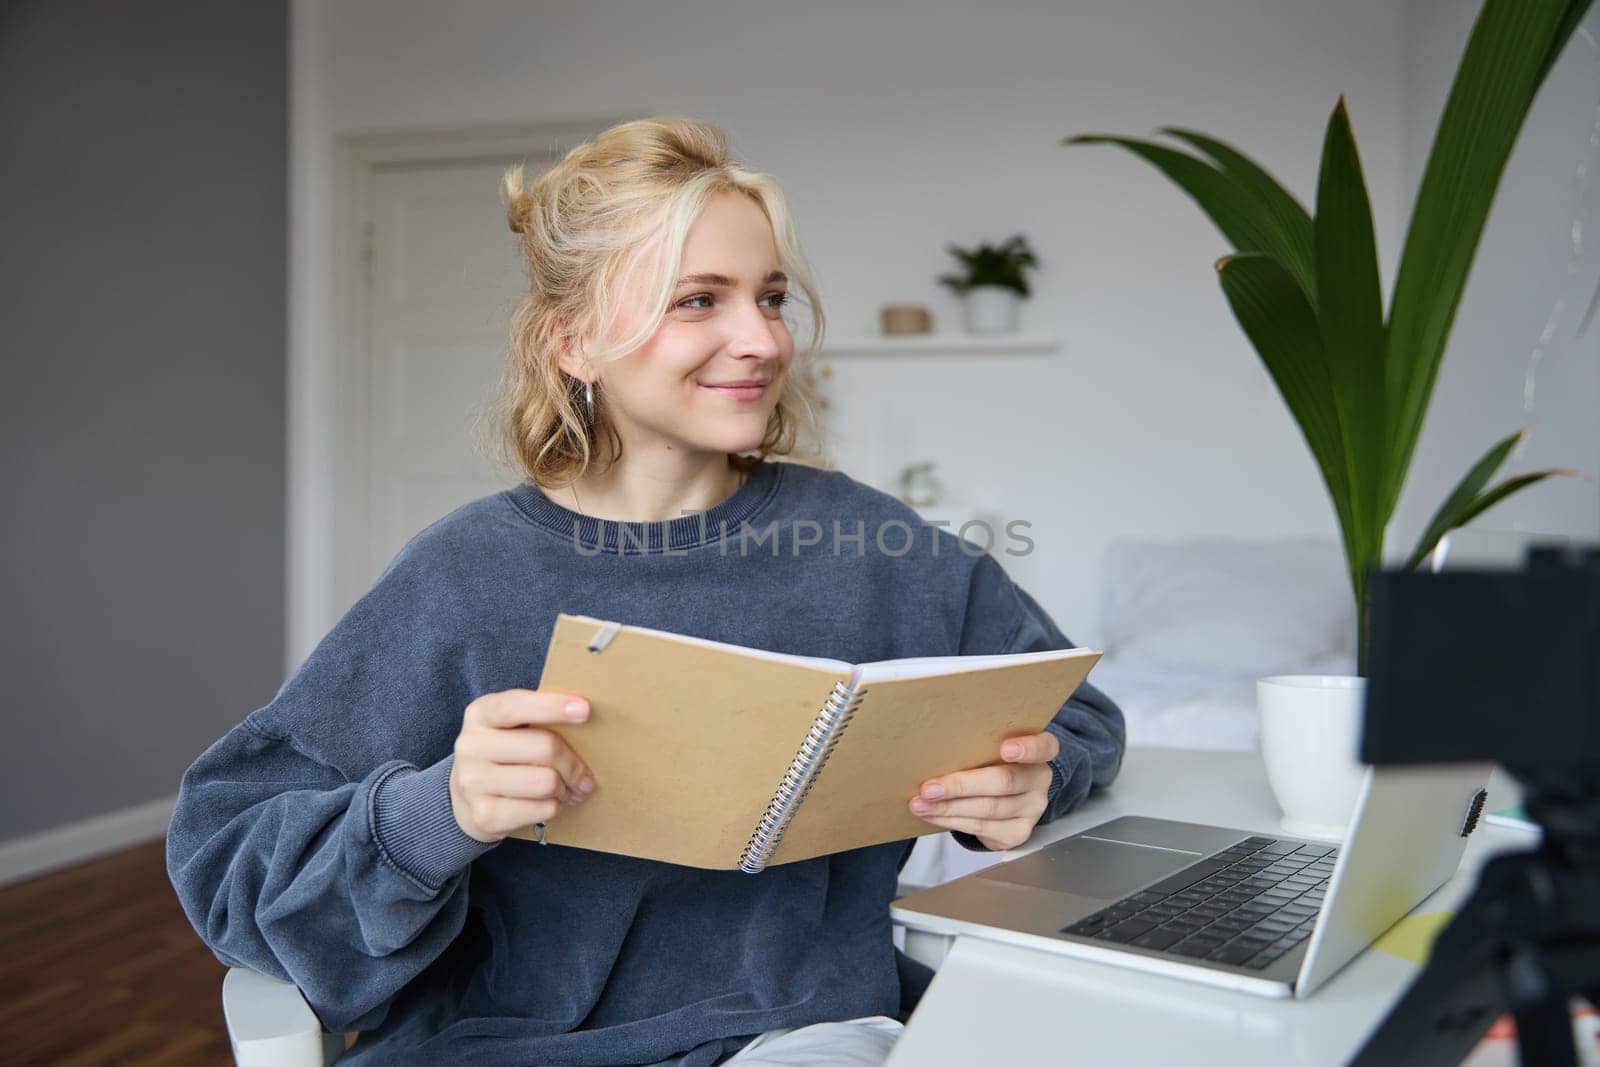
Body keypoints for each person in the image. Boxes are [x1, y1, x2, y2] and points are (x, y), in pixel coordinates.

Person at [166, 116, 1125, 1066]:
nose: (760, 339)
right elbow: (229, 854)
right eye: (699, 300)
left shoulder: (874, 546)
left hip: (796, 1030)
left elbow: (1073, 707)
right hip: (498, 1044)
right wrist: (441, 808)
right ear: (574, 343)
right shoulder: (464, 574)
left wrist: (1029, 779)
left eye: (772, 297)